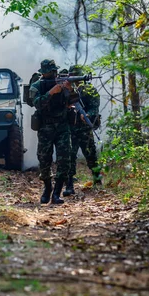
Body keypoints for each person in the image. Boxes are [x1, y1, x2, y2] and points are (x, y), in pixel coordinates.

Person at [31, 59, 72, 204]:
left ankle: (57, 192)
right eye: (50, 71)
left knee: (64, 160)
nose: (53, 74)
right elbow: (37, 104)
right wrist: (51, 92)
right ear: (44, 72)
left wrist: (69, 89)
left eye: (54, 71)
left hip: (62, 127)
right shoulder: (37, 86)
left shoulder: (63, 84)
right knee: (44, 159)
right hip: (45, 128)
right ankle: (47, 189)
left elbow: (73, 101)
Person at [63, 65, 102, 196]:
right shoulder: (65, 89)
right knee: (70, 156)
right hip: (70, 127)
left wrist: (88, 115)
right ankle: (69, 184)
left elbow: (94, 106)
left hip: (84, 128)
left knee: (90, 154)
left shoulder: (89, 90)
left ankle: (97, 180)